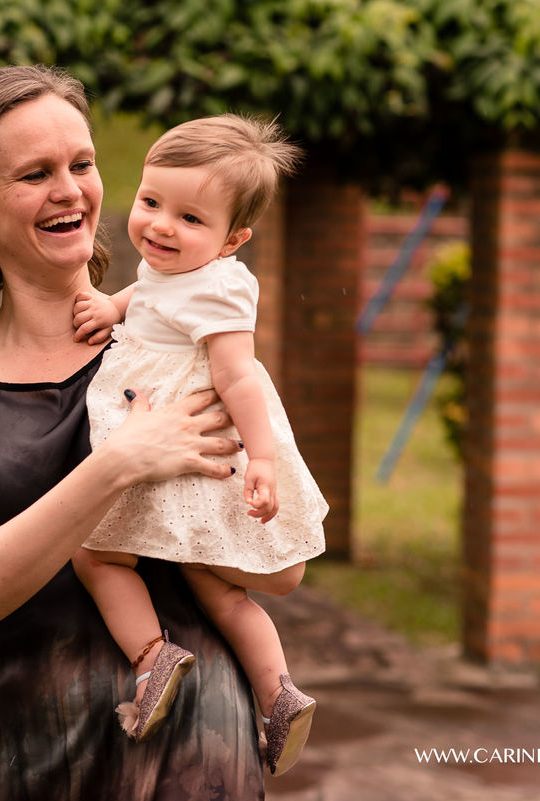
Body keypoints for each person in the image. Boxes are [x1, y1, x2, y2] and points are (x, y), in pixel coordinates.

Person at [0, 65, 268, 799]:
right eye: (35, 173)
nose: (70, 189)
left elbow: (280, 568)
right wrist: (119, 463)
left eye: (81, 164)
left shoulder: (193, 349)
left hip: (198, 760)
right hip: (24, 761)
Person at [70, 115, 329, 776]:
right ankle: (277, 693)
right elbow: (157, 293)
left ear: (233, 239)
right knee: (216, 587)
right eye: (152, 201)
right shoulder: (179, 268)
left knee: (96, 554)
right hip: (170, 435)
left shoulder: (220, 290)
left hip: (176, 437)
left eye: (189, 218)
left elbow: (238, 374)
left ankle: (153, 656)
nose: (159, 226)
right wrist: (114, 305)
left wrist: (264, 459)